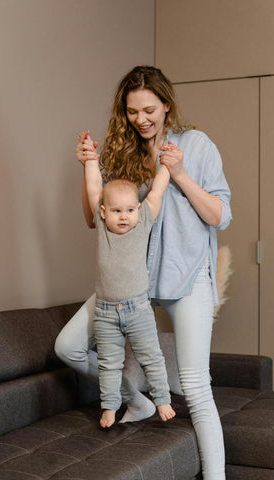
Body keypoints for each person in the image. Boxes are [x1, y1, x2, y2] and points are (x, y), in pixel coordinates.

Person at [55, 66, 232, 480]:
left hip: (186, 275)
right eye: (132, 112)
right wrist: (89, 167)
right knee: (69, 347)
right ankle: (137, 399)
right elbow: (92, 218)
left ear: (166, 105)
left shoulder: (196, 145)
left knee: (196, 385)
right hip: (131, 281)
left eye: (149, 110)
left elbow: (221, 216)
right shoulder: (123, 151)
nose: (141, 120)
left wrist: (181, 174)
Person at [83, 140, 175, 428]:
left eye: (130, 210)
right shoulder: (102, 228)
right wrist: (90, 160)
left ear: (138, 209)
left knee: (151, 356)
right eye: (116, 211)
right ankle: (110, 407)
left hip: (138, 309)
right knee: (109, 364)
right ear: (102, 212)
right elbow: (94, 187)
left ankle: (162, 400)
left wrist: (167, 166)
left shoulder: (144, 221)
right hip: (106, 312)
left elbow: (157, 190)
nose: (124, 216)